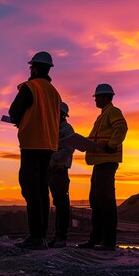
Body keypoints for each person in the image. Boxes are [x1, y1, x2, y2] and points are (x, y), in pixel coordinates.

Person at [9, 51, 61, 250]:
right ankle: (42, 237)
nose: (30, 69)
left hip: (31, 145)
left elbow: (14, 112)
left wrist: (20, 121)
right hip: (48, 146)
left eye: (31, 66)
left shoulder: (31, 87)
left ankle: (35, 237)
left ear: (36, 68)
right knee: (42, 191)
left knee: (31, 191)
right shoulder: (54, 92)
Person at [77, 84, 127, 251]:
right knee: (96, 201)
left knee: (105, 201)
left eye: (97, 97)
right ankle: (96, 239)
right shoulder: (103, 116)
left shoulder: (113, 112)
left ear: (105, 97)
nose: (95, 100)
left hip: (107, 162)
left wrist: (112, 145)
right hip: (99, 162)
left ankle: (108, 241)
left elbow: (122, 128)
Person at [47, 102, 75, 248]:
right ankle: (57, 236)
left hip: (60, 170)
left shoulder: (67, 129)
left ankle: (61, 237)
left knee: (62, 204)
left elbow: (69, 148)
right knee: (57, 203)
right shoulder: (52, 127)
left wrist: (53, 156)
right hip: (51, 169)